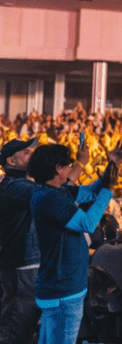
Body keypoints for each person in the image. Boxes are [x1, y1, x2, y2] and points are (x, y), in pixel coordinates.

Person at [28, 142, 122, 344]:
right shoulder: (50, 198)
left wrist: (111, 166)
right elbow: (88, 223)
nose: (71, 168)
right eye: (68, 164)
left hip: (63, 286)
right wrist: (109, 188)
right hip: (63, 290)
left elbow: (90, 191)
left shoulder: (55, 191)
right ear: (58, 168)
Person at [0, 137, 41, 343]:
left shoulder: (23, 184)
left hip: (28, 266)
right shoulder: (12, 187)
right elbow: (50, 192)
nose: (30, 155)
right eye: (25, 152)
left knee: (25, 328)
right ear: (11, 161)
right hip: (20, 268)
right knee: (14, 329)